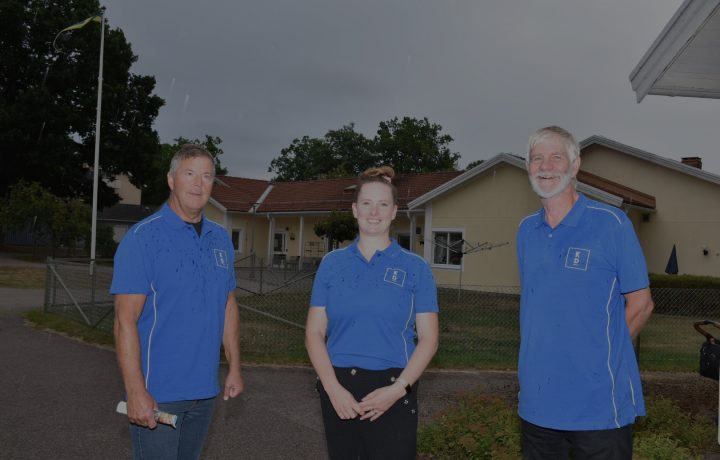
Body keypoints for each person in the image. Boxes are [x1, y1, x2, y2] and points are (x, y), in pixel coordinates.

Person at [516, 126, 654, 459]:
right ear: (528, 167)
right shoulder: (525, 231)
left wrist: (595, 359)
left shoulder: (612, 223)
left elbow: (641, 304)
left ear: (575, 165)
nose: (545, 166)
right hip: (538, 405)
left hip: (598, 407)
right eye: (537, 158)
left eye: (555, 157)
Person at [111, 144, 243, 460]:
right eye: (190, 173)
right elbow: (124, 321)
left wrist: (235, 367)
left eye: (207, 176)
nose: (199, 183)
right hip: (158, 393)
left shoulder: (220, 238)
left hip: (205, 392)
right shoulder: (143, 239)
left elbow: (228, 305)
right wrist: (135, 391)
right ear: (172, 180)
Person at [305, 166, 439, 460]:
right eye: (367, 203)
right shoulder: (332, 264)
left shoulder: (416, 268)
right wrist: (332, 388)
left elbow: (429, 339)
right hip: (339, 389)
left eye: (383, 204)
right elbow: (314, 333)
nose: (374, 212)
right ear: (355, 210)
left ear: (394, 212)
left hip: (393, 388)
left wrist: (398, 390)